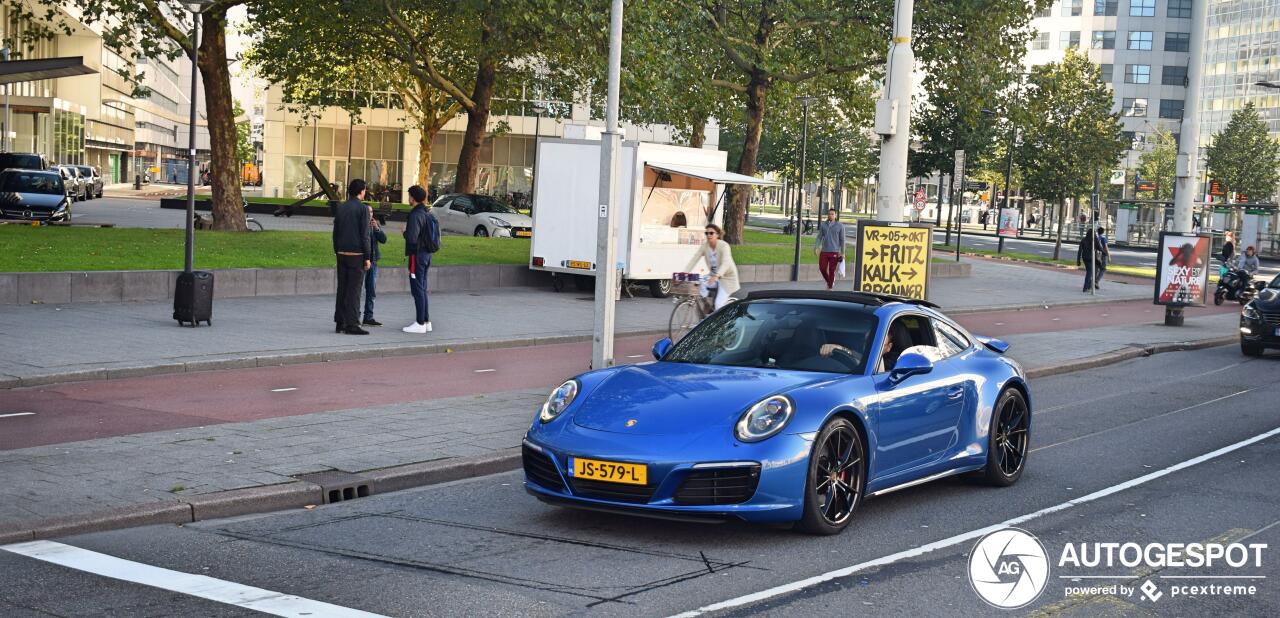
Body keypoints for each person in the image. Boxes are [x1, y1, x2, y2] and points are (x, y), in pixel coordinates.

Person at [333, 179, 372, 335]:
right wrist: (367, 257)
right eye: (364, 190)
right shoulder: (362, 209)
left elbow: (336, 232)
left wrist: (337, 250)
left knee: (342, 289)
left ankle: (340, 322)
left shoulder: (341, 208)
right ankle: (352, 324)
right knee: (354, 291)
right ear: (361, 191)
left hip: (341, 253)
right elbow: (365, 235)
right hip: (356, 255)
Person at [403, 184, 440, 333]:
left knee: (417, 289)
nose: (409, 198)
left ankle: (420, 323)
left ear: (413, 197)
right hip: (426, 255)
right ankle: (426, 321)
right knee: (423, 288)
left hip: (416, 256)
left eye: (409, 196)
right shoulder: (428, 213)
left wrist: (404, 233)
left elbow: (412, 238)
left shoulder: (415, 215)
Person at [684, 223, 739, 311]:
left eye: (711, 233)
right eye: (707, 233)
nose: (708, 235)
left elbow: (726, 263)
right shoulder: (705, 246)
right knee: (700, 281)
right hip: (713, 276)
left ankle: (720, 323)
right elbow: (695, 259)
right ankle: (706, 304)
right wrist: (685, 273)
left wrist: (717, 275)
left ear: (717, 235)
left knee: (718, 304)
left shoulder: (724, 246)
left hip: (727, 279)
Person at [361, 204, 388, 327]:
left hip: (374, 261)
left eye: (371, 212)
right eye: (368, 212)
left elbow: (383, 239)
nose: (370, 214)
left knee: (371, 290)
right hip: (361, 262)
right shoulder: (359, 225)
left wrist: (377, 228)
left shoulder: (374, 225)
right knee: (358, 291)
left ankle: (369, 317)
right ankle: (355, 316)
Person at [813, 208, 846, 290]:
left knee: (832, 270)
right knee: (822, 268)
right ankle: (829, 281)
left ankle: (830, 287)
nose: (830, 215)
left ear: (835, 215)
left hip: (834, 252)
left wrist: (842, 252)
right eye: (829, 214)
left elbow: (842, 240)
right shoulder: (824, 225)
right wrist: (816, 247)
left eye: (832, 214)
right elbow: (819, 237)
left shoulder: (840, 226)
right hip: (824, 251)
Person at [1076, 228, 1101, 293]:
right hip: (1092, 258)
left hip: (1085, 258)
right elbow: (1100, 248)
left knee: (1090, 271)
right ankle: (1086, 287)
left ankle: (1089, 286)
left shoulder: (1084, 239)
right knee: (1090, 272)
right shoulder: (1095, 240)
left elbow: (1080, 251)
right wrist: (1105, 253)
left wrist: (1078, 260)